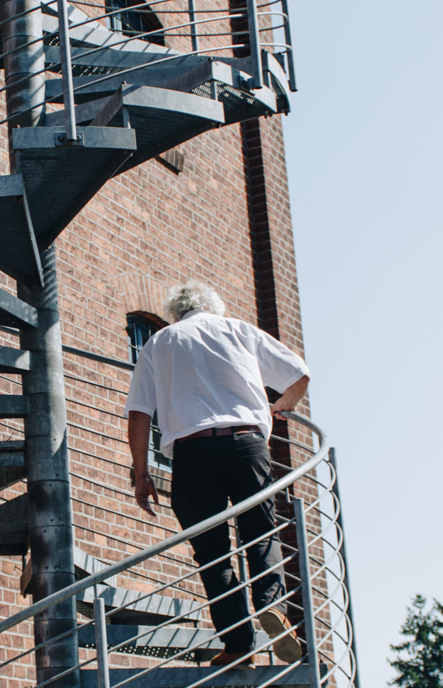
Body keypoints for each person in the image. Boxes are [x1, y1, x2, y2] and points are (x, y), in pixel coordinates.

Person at [125, 281, 310, 663]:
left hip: (193, 453)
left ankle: (238, 645)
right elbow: (299, 376)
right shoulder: (239, 330)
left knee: (212, 553)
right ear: (214, 307)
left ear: (175, 312)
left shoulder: (160, 342)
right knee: (261, 533)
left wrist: (142, 472)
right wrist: (278, 407)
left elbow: (139, 414)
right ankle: (272, 607)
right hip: (247, 444)